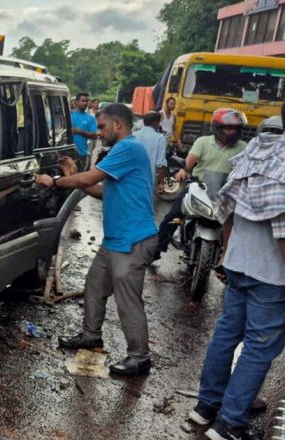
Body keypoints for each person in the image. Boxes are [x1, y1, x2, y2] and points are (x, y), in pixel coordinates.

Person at [36, 103, 158, 377]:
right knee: (94, 285)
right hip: (116, 239)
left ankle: (139, 357)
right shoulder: (122, 151)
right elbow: (99, 190)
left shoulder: (129, 147)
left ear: (118, 124)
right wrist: (70, 174)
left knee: (128, 300)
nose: (99, 132)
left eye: (102, 127)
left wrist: (53, 181)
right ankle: (91, 336)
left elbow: (91, 177)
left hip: (133, 239)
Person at [187, 104, 285, 440]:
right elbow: (283, 228)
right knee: (259, 347)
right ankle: (229, 422)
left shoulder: (255, 153)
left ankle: (206, 407)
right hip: (271, 273)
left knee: (227, 335)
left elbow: (225, 208)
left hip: (239, 262)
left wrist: (228, 252)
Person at [156, 108, 248, 263]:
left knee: (243, 226)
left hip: (228, 193)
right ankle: (156, 250)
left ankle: (230, 262)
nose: (231, 131)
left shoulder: (243, 147)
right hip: (199, 187)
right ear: (217, 127)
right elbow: (189, 162)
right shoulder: (203, 141)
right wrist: (183, 171)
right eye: (228, 127)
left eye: (235, 128)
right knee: (173, 217)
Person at [133, 111, 166, 193]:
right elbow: (160, 164)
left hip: (130, 178)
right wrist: (161, 183)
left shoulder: (133, 135)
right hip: (147, 180)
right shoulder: (159, 138)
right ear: (155, 122)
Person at [70, 92, 98, 170]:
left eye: (87, 101)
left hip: (81, 153)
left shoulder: (90, 118)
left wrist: (80, 131)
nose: (85, 103)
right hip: (66, 153)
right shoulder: (68, 115)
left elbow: (94, 135)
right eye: (82, 101)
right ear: (76, 102)